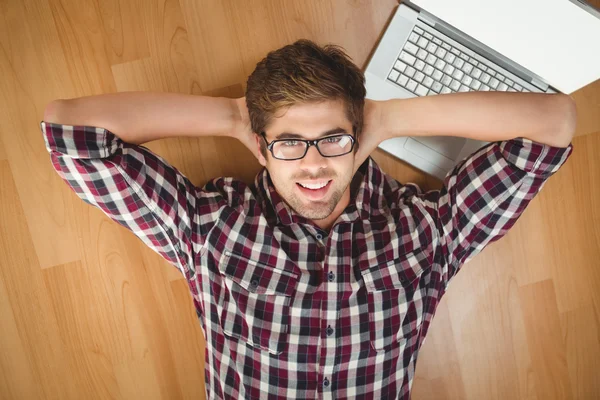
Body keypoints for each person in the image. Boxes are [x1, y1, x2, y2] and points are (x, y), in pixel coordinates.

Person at [41, 39, 575, 399]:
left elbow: (555, 123)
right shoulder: (209, 228)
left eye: (332, 140)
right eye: (290, 143)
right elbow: (71, 134)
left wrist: (387, 118)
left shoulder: (426, 232)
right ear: (261, 147)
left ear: (358, 139)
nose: (314, 165)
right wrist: (236, 120)